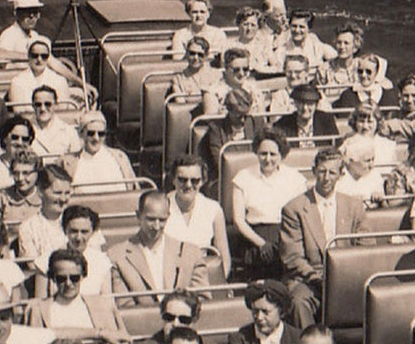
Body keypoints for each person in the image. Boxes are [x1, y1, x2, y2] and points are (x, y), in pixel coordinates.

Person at [279, 147, 367, 327]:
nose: (326, 178)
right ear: (313, 172)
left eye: (332, 172)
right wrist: (319, 279)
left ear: (341, 174)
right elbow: (292, 258)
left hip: (346, 279)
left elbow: (365, 249)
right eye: (322, 171)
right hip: (308, 279)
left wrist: (344, 279)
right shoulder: (294, 208)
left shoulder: (354, 206)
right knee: (298, 302)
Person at [230, 128, 307, 278]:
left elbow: (301, 216)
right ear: (256, 153)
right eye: (263, 154)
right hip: (254, 237)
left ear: (281, 155)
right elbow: (238, 221)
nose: (267, 159)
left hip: (288, 233)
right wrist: (262, 243)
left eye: (273, 154)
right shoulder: (243, 177)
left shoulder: (295, 178)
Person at [25, 249, 128, 344]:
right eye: (61, 279)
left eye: (74, 278)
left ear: (83, 276)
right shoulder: (38, 309)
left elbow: (123, 341)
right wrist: (98, 333)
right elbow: (39, 338)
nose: (68, 284)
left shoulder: (103, 305)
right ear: (52, 278)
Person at [163, 153, 230, 282]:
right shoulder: (162, 206)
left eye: (195, 181)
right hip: (170, 278)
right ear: (173, 180)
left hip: (203, 279)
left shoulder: (213, 209)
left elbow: (224, 259)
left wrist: (217, 284)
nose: (188, 185)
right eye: (182, 179)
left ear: (203, 181)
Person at [109, 190, 182, 299]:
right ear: (138, 216)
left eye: (162, 220)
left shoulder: (188, 252)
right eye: (151, 219)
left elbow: (203, 302)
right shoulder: (117, 256)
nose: (156, 226)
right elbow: (124, 305)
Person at [222, 280, 303, 344]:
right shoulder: (240, 340)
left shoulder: (297, 339)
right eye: (255, 311)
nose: (259, 317)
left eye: (265, 312)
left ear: (281, 312)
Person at [201, 87, 264, 193]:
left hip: (256, 176)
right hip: (225, 180)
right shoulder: (216, 129)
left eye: (246, 115)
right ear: (229, 111)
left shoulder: (256, 123)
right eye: (239, 116)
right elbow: (219, 162)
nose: (243, 120)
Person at [15, 165, 74, 265]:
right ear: (40, 192)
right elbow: (32, 266)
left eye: (67, 193)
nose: (63, 199)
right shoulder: (28, 228)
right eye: (57, 193)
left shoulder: (81, 221)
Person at [56, 204, 113, 297]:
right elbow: (41, 305)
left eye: (84, 232)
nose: (78, 238)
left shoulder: (102, 261)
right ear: (64, 230)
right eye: (74, 231)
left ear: (93, 232)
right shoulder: (46, 259)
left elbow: (106, 301)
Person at [69, 112, 136, 189]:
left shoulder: (120, 157)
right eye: (91, 133)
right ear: (81, 134)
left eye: (101, 134)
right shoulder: (69, 163)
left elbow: (134, 189)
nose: (96, 138)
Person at [6, 38, 73, 108]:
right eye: (35, 56)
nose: (39, 59)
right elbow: (19, 111)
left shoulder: (60, 81)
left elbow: (63, 110)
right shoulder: (17, 82)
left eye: (44, 56)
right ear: (28, 56)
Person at [0, 145, 42, 228]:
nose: (20, 178)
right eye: (16, 173)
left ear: (37, 173)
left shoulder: (44, 197)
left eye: (26, 173)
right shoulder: (2, 198)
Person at [270, 83, 340, 148]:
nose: (305, 108)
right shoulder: (283, 124)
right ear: (295, 103)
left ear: (316, 105)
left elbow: (337, 144)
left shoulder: (326, 121)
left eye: (310, 104)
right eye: (301, 103)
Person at [200, 48, 263, 118]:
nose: (241, 74)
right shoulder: (212, 93)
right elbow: (212, 123)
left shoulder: (254, 90)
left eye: (245, 69)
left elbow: (262, 119)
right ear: (226, 69)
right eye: (236, 70)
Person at [378, 73, 415, 142]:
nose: (409, 100)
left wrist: (393, 125)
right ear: (400, 96)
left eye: (414, 95)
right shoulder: (392, 115)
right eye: (406, 96)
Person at [29, 85, 82, 158]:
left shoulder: (69, 131)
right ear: (33, 106)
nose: (43, 109)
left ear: (56, 105)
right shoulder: (26, 130)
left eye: (48, 104)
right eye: (38, 104)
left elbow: (76, 159)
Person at [334, 135, 386, 206]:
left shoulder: (375, 175)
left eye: (373, 159)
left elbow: (385, 208)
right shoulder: (337, 180)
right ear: (351, 160)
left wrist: (380, 199)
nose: (371, 165)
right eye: (367, 161)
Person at [167, 36, 221, 101]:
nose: (196, 58)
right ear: (186, 54)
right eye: (192, 53)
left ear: (206, 55)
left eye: (200, 55)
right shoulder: (178, 80)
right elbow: (181, 106)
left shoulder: (216, 75)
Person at [254, 0, 290, 74]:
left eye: (285, 15)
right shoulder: (256, 37)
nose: (284, 19)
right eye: (279, 16)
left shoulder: (289, 35)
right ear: (266, 16)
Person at [231, 6, 270, 70]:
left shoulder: (264, 46)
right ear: (238, 25)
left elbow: (276, 65)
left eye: (253, 25)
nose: (249, 29)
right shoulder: (231, 46)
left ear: (258, 27)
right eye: (245, 24)